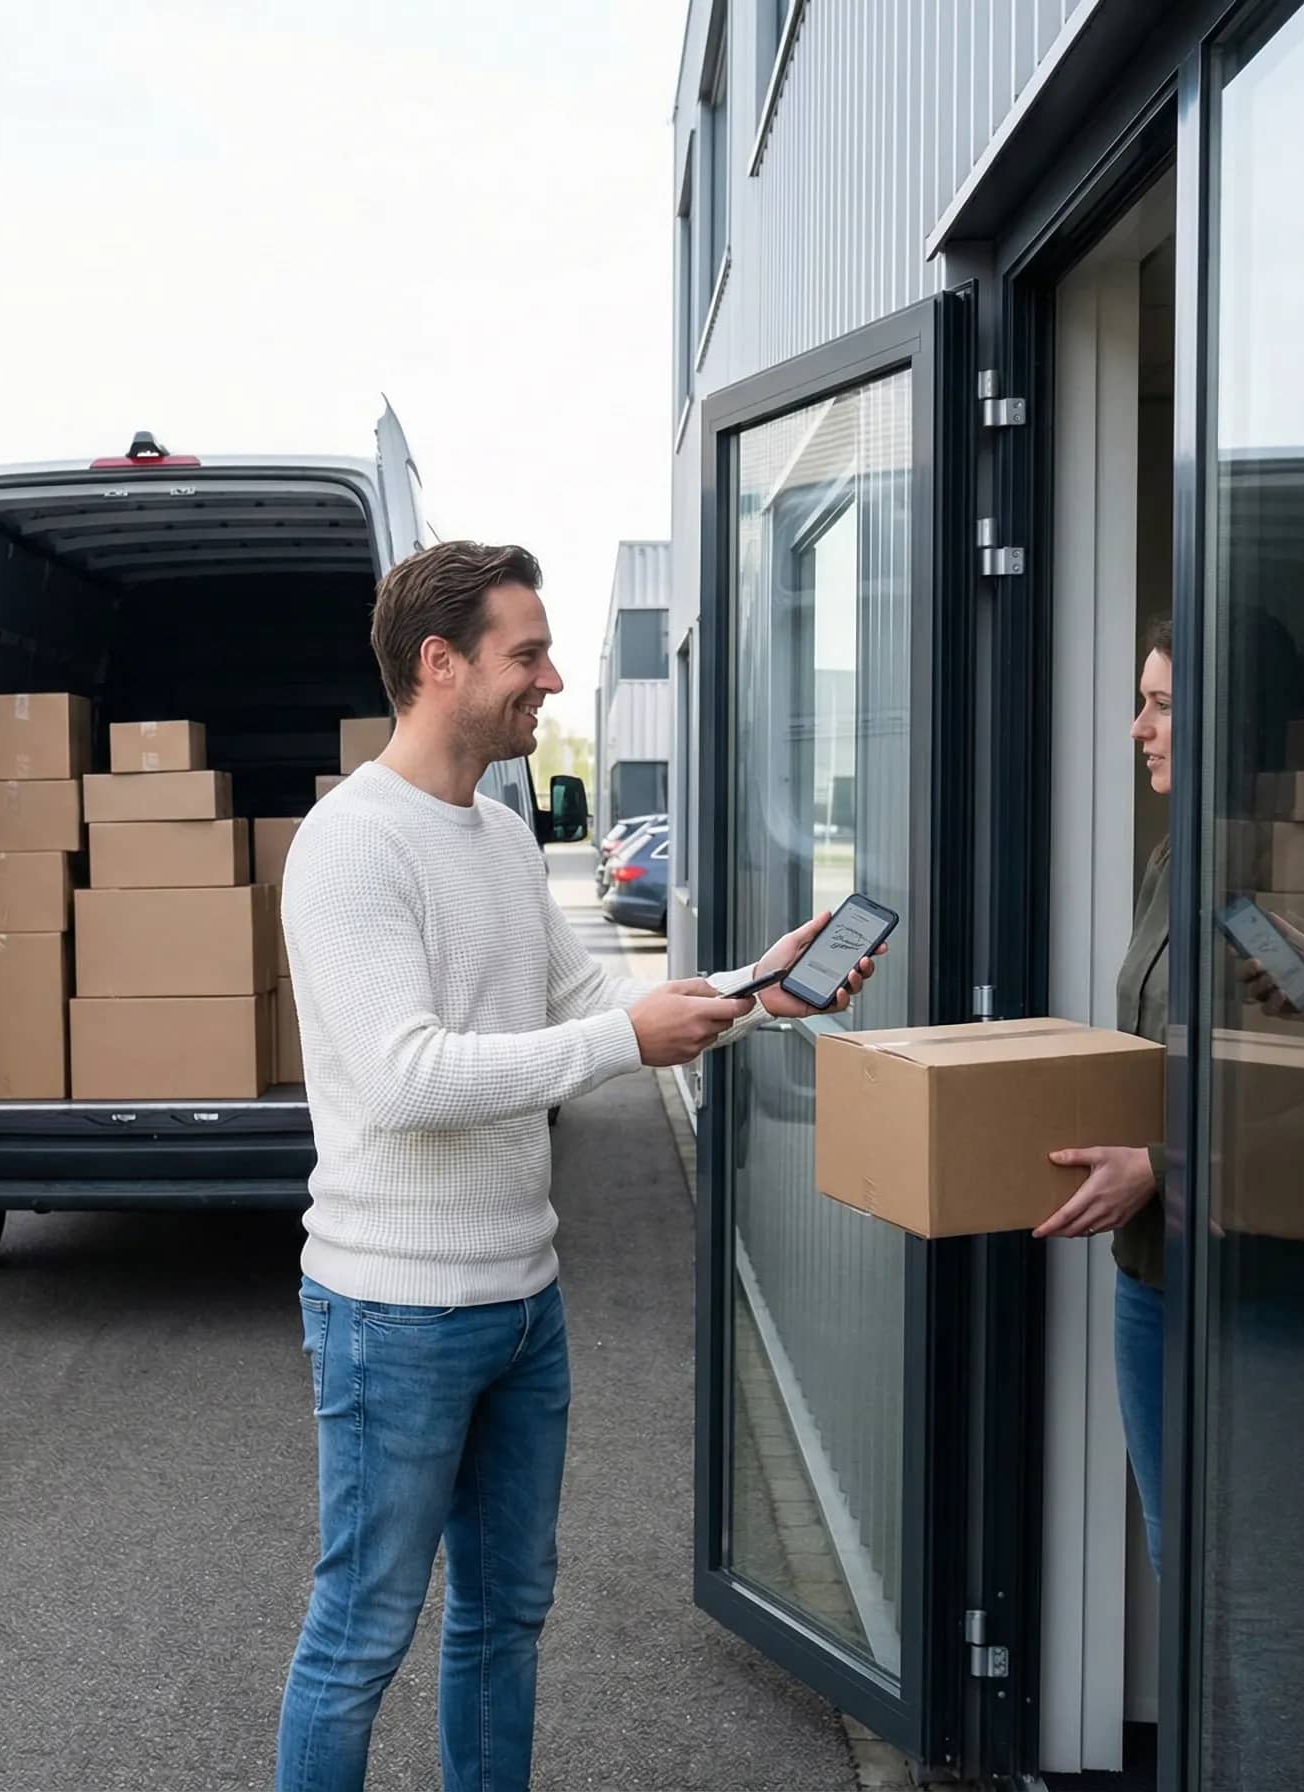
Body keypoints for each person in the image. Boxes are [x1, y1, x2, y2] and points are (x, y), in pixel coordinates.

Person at [273, 540, 885, 1792]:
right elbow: (407, 1075)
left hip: (519, 1306)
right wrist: (622, 1038)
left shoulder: (498, 840)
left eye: (550, 652)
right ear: (440, 665)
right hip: (394, 1312)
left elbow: (586, 998)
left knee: (506, 1621)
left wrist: (762, 985)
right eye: (528, 654)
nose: (550, 680)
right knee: (361, 1638)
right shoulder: (351, 846)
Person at [1036, 617, 1304, 1580]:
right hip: (1151, 1270)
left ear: (1233, 721)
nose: (1139, 727)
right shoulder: (1173, 860)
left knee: (1257, 1588)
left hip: (1263, 1282)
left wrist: (1164, 1163)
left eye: (1163, 705)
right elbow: (1164, 1052)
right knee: (1178, 1556)